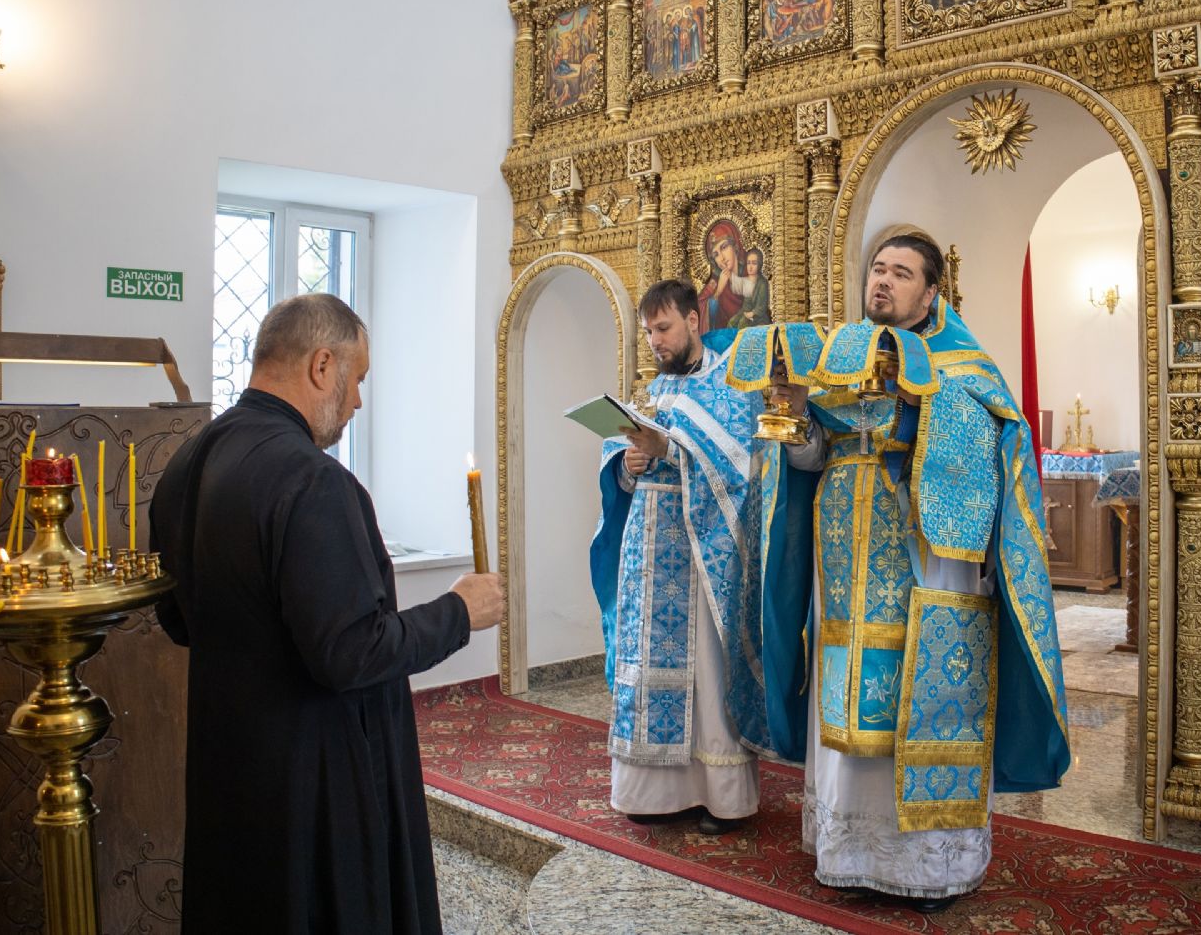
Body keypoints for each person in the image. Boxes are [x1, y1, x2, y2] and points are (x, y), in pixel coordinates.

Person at [151, 293, 506, 935]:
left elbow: (177, 619)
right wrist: (460, 611)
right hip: (315, 780)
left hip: (228, 760)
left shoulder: (188, 461)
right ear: (322, 366)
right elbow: (353, 654)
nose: (358, 402)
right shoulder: (312, 480)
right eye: (358, 379)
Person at [780, 234, 1070, 912]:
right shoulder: (838, 357)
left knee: (923, 698)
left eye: (901, 273)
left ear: (932, 292)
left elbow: (996, 439)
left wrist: (915, 407)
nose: (882, 282)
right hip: (845, 559)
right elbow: (808, 459)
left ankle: (926, 867)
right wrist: (797, 420)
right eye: (877, 269)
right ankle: (847, 850)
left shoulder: (962, 365)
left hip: (928, 561)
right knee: (847, 687)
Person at [588, 280, 794, 834]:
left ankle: (720, 797)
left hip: (702, 549)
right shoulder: (652, 391)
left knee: (705, 669)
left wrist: (671, 450)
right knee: (646, 664)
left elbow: (739, 460)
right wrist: (626, 465)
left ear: (694, 320)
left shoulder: (729, 384)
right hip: (649, 550)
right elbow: (625, 453)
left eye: (664, 328)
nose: (655, 341)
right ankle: (650, 791)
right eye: (649, 331)